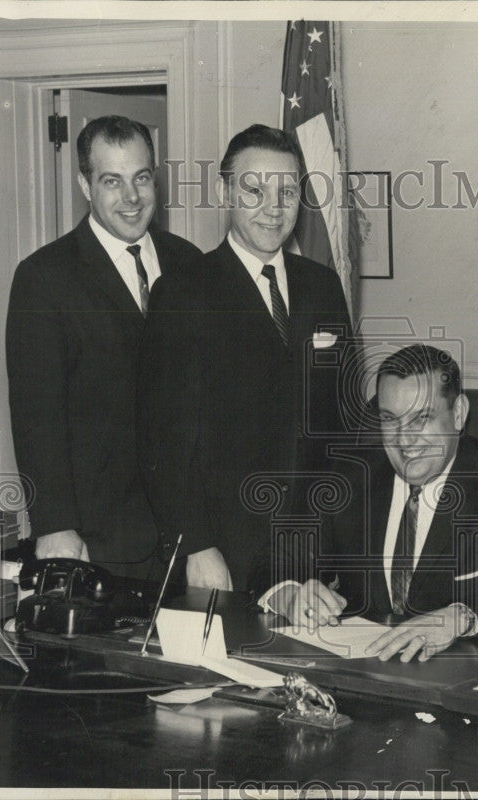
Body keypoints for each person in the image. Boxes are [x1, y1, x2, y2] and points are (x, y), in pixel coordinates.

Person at [139, 124, 353, 594]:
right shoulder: (183, 291)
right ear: (224, 192)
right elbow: (164, 440)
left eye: (287, 191)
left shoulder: (323, 286)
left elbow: (343, 428)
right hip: (225, 555)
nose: (273, 209)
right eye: (254, 190)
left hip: (314, 557)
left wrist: (343, 552)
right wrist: (196, 546)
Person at [264, 344, 478, 662]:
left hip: (456, 674)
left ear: (458, 413)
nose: (404, 440)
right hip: (359, 672)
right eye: (390, 420)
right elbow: (275, 557)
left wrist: (461, 616)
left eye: (421, 419)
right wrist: (290, 595)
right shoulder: (351, 477)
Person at [6, 116, 202, 578]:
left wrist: (203, 536)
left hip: (187, 539)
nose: (131, 198)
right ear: (85, 184)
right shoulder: (44, 278)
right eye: (111, 181)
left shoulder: (188, 262)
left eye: (142, 178)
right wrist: (54, 526)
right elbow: (37, 417)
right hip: (96, 541)